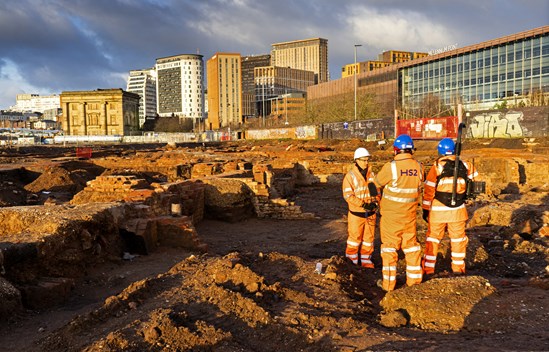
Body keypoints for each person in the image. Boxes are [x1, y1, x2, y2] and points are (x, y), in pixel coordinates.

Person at [373, 134, 424, 291]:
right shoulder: (419, 167)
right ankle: (414, 282)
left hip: (391, 216)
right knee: (411, 247)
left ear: (396, 151)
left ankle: (388, 285)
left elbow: (376, 184)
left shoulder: (392, 167)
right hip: (409, 215)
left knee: (389, 248)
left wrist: (373, 199)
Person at [422, 137, 478, 275]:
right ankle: (458, 269)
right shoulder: (466, 165)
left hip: (438, 211)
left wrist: (425, 209)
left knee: (433, 239)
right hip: (457, 210)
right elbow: (476, 181)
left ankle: (428, 269)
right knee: (458, 239)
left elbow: (429, 189)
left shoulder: (437, 166)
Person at [342, 147, 380, 268]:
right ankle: (352, 262)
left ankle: (366, 260)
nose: (366, 162)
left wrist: (375, 202)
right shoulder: (350, 176)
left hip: (370, 213)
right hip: (356, 214)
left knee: (368, 239)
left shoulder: (372, 176)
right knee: (354, 239)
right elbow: (348, 196)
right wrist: (363, 204)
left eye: (367, 160)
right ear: (356, 161)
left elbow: (376, 192)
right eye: (363, 160)